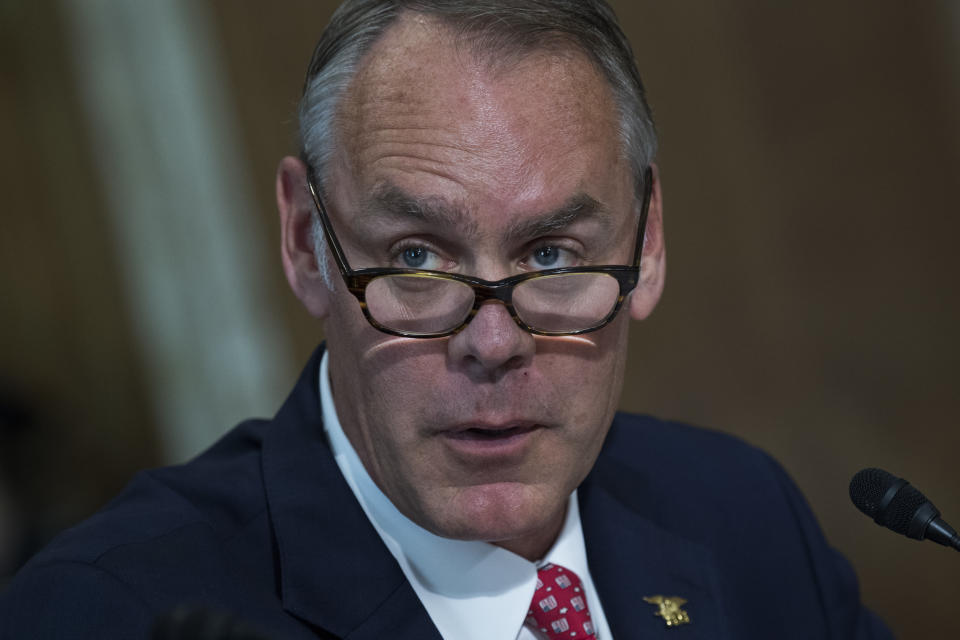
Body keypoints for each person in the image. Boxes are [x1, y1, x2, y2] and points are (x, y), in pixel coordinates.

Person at [1, 1, 893, 638]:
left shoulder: (742, 516)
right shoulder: (110, 611)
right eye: (419, 258)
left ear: (648, 244)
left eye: (552, 255)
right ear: (309, 242)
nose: (495, 344)